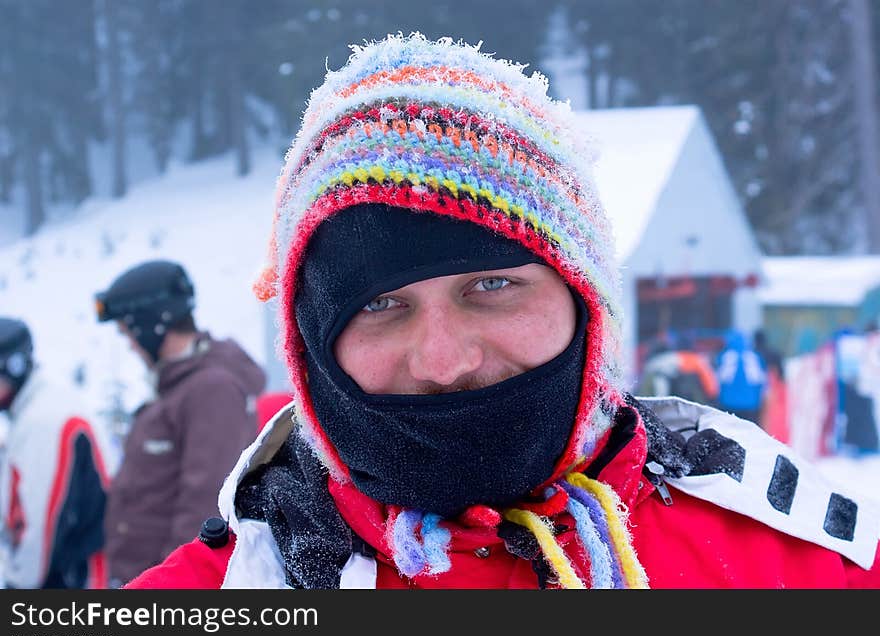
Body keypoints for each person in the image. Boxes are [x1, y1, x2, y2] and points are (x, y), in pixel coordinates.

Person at [127, 34, 880, 589]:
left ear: (584, 300)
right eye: (381, 304)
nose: (445, 358)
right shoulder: (222, 586)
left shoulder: (798, 558)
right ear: (310, 349)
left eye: (491, 286)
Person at [94, 259, 266, 588]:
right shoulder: (176, 385)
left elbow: (203, 507)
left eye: (127, 332)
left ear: (149, 324)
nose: (129, 345)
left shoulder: (210, 390)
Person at [0, 317, 109, 589]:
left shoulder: (42, 421)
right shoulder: (35, 410)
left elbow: (38, 527)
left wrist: (15, 582)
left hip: (75, 582)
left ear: (12, 368)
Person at [715, 329, 768, 424]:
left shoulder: (724, 356)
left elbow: (718, 380)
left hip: (728, 403)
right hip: (751, 404)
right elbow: (762, 382)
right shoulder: (755, 357)